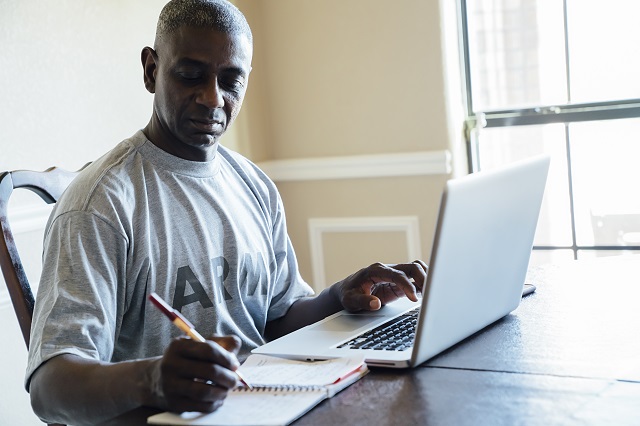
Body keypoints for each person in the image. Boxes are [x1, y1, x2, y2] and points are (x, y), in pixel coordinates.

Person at [25, 0, 428, 424]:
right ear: (150, 70)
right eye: (191, 75)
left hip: (270, 404)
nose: (213, 98)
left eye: (231, 80)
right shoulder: (101, 205)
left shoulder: (253, 184)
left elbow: (275, 318)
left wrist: (338, 296)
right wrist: (153, 381)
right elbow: (50, 390)